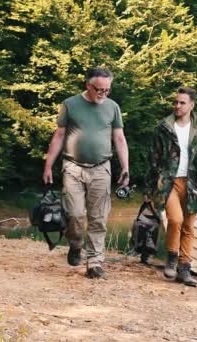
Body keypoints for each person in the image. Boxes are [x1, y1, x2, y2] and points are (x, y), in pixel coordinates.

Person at [42, 67, 129, 279]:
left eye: (107, 90)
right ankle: (75, 243)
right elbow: (59, 135)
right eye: (99, 89)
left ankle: (94, 263)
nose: (103, 94)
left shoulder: (113, 107)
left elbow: (119, 138)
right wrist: (48, 165)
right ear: (87, 85)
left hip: (101, 168)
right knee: (74, 214)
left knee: (98, 218)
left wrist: (126, 166)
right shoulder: (70, 104)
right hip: (73, 168)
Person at [144, 87, 197, 287]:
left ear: (191, 105)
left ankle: (184, 269)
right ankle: (172, 259)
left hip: (194, 184)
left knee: (189, 227)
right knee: (175, 220)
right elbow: (153, 159)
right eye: (176, 102)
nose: (177, 106)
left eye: (182, 103)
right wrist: (149, 190)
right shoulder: (163, 127)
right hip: (169, 183)